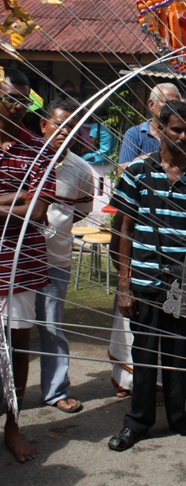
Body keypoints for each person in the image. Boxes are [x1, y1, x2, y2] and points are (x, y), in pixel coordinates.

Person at [108, 101, 186, 451]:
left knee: (179, 355)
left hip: (184, 285)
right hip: (144, 283)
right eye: (176, 129)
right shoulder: (137, 173)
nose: (183, 136)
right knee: (143, 356)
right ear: (159, 129)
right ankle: (138, 423)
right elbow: (123, 229)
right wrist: (124, 286)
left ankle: (180, 418)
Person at [0, 68, 56, 462]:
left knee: (19, 344)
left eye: (23, 100)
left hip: (19, 264)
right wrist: (10, 204)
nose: (16, 107)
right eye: (9, 97)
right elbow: (22, 206)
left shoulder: (39, 147)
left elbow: (37, 211)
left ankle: (13, 427)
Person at [38, 99, 94, 413]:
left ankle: (56, 390)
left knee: (51, 327)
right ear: (43, 124)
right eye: (58, 125)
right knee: (7, 328)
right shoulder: (24, 160)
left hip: (54, 260)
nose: (63, 132)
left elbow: (82, 211)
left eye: (71, 126)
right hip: (16, 261)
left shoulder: (81, 169)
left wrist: (56, 226)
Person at [118, 82, 182, 166]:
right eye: (167, 103)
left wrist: (139, 162)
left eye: (176, 104)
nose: (172, 108)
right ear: (151, 105)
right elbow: (123, 171)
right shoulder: (135, 134)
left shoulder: (183, 135)